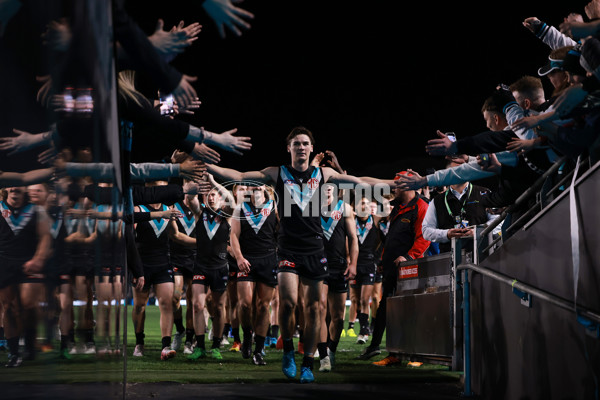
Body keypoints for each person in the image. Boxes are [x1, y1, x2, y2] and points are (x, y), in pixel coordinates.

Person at [204, 126, 395, 383]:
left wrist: (395, 183)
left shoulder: (324, 174)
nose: (301, 147)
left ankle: (308, 363)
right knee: (289, 302)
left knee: (315, 308)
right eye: (296, 144)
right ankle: (289, 353)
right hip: (288, 249)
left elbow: (361, 182)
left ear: (311, 148)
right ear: (289, 148)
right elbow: (238, 174)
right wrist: (208, 164)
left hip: (315, 250)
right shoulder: (277, 173)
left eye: (305, 143)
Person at [357, 171, 430, 366]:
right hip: (391, 267)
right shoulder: (397, 207)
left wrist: (408, 257)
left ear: (407, 187)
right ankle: (385, 351)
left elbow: (424, 237)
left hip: (411, 267)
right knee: (386, 309)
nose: (393, 188)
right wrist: (383, 260)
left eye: (397, 185)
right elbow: (390, 239)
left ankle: (417, 355)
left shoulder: (421, 206)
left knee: (411, 310)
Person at [169, 175, 234, 361]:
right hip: (201, 266)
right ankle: (200, 346)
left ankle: (216, 345)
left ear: (220, 198)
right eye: (210, 195)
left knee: (219, 307)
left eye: (215, 195)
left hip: (220, 267)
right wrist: (193, 183)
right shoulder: (201, 213)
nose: (212, 197)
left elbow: (232, 201)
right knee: (197, 305)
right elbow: (190, 199)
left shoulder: (226, 216)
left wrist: (215, 184)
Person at [0, 186, 52, 367]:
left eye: (18, 184)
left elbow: (46, 236)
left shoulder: (36, 210)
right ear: (5, 188)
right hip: (4, 262)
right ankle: (14, 353)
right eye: (10, 184)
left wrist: (38, 259)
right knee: (9, 307)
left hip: (29, 262)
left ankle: (30, 343)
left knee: (28, 304)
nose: (14, 188)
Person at [131, 180, 182, 360]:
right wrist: (135, 269)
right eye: (159, 187)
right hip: (142, 265)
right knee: (139, 305)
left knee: (167, 303)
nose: (163, 190)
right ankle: (139, 342)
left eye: (165, 186)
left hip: (163, 263)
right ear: (149, 188)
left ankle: (165, 346)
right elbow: (129, 237)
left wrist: (203, 244)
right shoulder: (138, 209)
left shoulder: (170, 208)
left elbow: (175, 235)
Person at [230, 182, 279, 365]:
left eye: (261, 185)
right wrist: (239, 258)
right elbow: (234, 235)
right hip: (247, 259)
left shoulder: (275, 206)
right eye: (254, 185)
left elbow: (284, 230)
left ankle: (258, 350)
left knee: (263, 306)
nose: (257, 187)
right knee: (244, 304)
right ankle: (247, 335)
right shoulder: (240, 208)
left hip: (268, 260)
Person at [317, 183, 357, 372]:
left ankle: (331, 350)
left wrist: (353, 263)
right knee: (320, 309)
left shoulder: (345, 208)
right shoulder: (311, 207)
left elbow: (353, 238)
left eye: (330, 186)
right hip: (317, 265)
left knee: (338, 317)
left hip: (339, 266)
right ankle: (323, 355)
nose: (327, 189)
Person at [422, 159, 499, 253]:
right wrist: (447, 234)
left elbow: (498, 221)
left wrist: (478, 231)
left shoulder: (483, 193)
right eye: (456, 170)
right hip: (450, 258)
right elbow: (426, 231)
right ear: (447, 174)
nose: (460, 173)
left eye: (463, 169)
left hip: (482, 255)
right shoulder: (437, 201)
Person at [350, 195, 382, 345]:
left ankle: (364, 331)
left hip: (369, 264)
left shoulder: (375, 220)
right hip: (355, 263)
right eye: (361, 204)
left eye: (367, 205)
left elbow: (388, 210)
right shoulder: (351, 221)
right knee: (355, 299)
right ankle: (361, 327)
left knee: (365, 299)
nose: (364, 207)